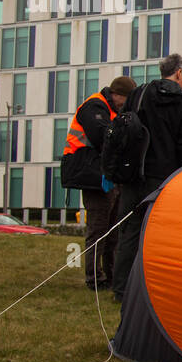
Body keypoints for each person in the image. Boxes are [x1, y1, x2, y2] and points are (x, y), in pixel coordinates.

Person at [112, 54, 182, 301]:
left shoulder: (139, 94)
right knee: (162, 236)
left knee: (130, 232)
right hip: (164, 179)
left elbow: (121, 130)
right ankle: (155, 288)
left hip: (133, 175)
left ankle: (121, 289)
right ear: (179, 73)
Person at [61, 75, 136, 289]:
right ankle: (94, 278)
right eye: (126, 99)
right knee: (99, 228)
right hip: (91, 175)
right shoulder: (94, 106)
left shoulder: (113, 111)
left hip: (106, 175)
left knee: (112, 229)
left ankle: (111, 276)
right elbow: (102, 137)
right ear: (117, 95)